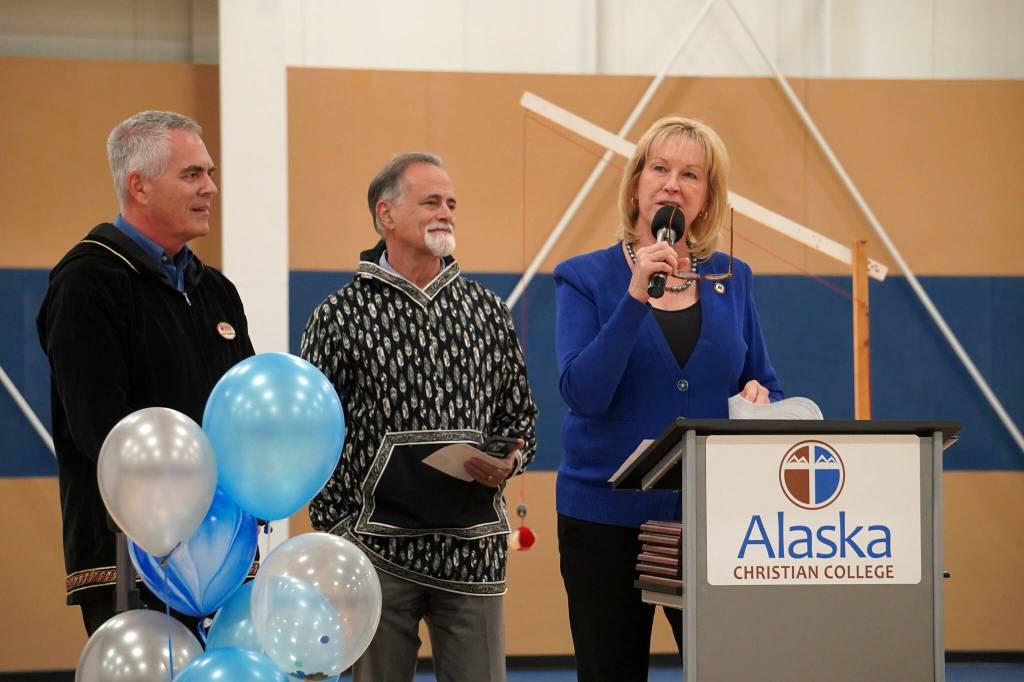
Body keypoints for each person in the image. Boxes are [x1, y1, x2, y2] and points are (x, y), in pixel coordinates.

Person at [553, 116, 783, 681]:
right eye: (659, 168)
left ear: (706, 201)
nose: (672, 183)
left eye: (691, 175)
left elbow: (767, 384)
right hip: (605, 520)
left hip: (710, 520)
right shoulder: (583, 278)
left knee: (723, 670)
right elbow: (583, 392)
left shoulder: (735, 278)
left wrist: (759, 396)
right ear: (636, 184)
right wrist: (635, 298)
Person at [300, 151, 538, 682]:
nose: (446, 213)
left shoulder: (487, 311)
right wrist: (342, 531)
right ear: (385, 214)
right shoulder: (338, 316)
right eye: (431, 201)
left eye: (451, 203)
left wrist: (510, 459)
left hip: (473, 549)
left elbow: (520, 417)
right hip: (375, 554)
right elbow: (311, 438)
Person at [36, 110, 255, 635]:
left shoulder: (217, 291)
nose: (211, 188)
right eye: (192, 175)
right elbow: (101, 429)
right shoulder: (88, 284)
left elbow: (242, 413)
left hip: (221, 549)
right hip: (130, 557)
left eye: (210, 172)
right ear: (139, 185)